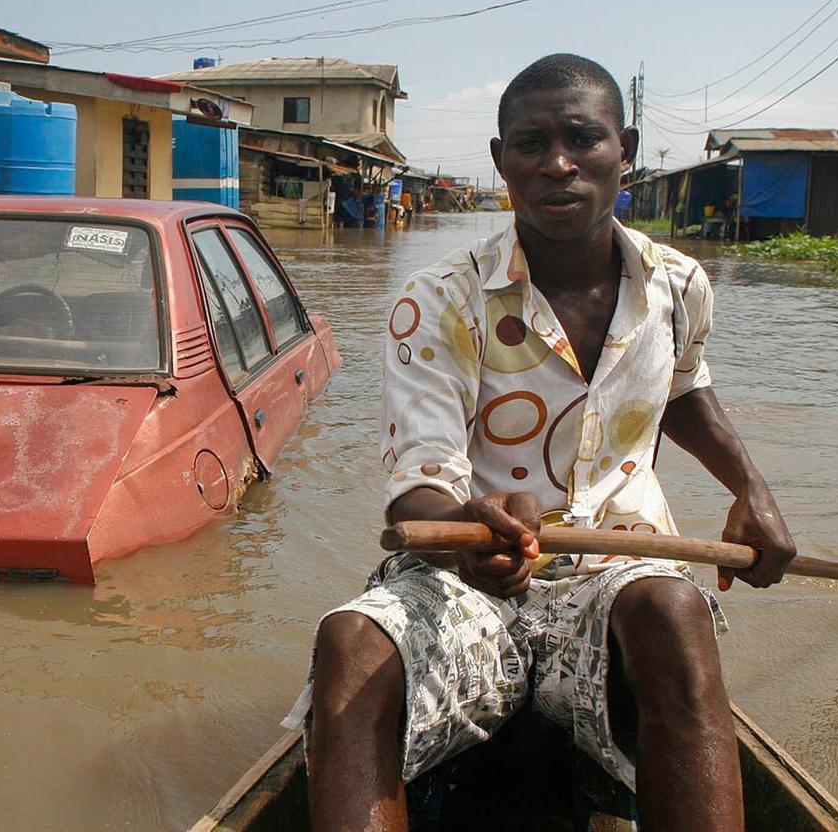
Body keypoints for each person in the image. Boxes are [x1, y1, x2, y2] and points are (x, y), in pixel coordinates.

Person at [303, 53, 796, 831]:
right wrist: (469, 531)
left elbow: (683, 387)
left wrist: (750, 489)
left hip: (619, 571)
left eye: (583, 139)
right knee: (350, 644)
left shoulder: (679, 284)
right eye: (531, 144)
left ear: (624, 149)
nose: (558, 164)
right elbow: (418, 479)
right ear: (501, 162)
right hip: (469, 581)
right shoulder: (439, 298)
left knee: (675, 614)